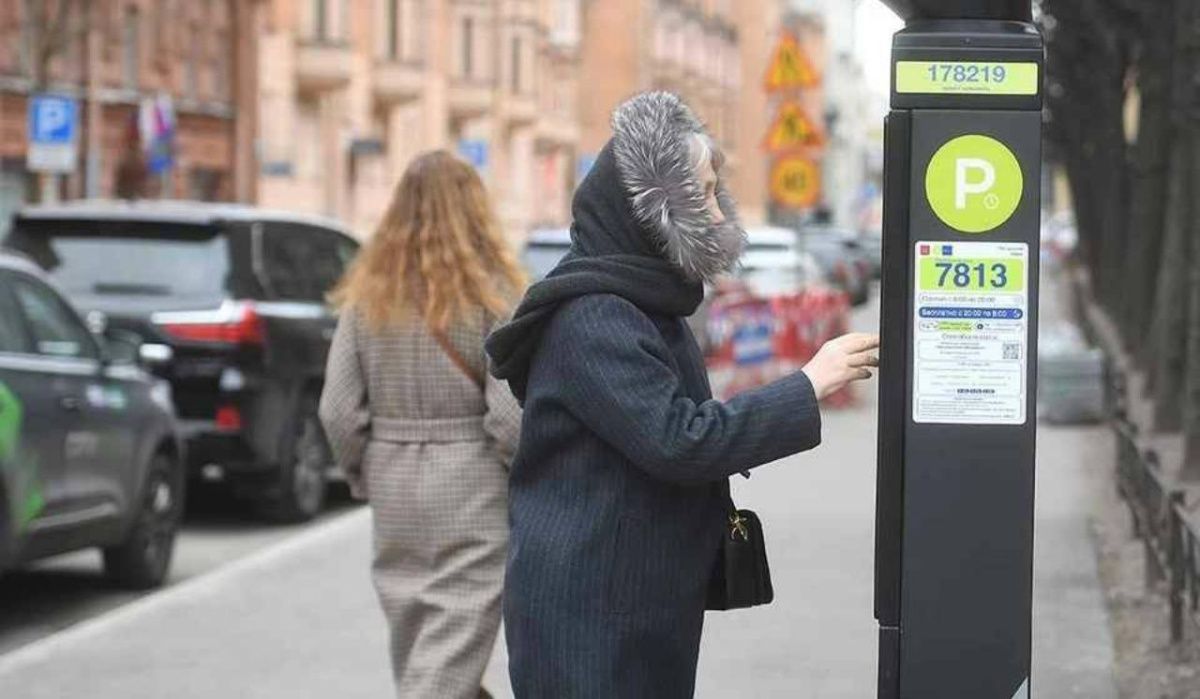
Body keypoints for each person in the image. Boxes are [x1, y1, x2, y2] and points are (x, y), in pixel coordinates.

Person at [486, 91, 880, 697]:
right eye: (700, 193)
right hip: (589, 613)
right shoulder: (595, 318)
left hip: (633, 599)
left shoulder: (645, 306)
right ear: (649, 212)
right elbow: (680, 440)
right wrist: (808, 384)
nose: (720, 214)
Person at [319, 151, 524, 699]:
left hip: (391, 478)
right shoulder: (494, 298)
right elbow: (508, 416)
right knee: (449, 652)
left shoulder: (366, 299)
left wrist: (362, 472)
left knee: (416, 639)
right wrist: (518, 474)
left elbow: (336, 409)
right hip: (471, 483)